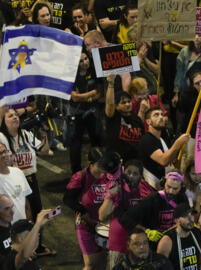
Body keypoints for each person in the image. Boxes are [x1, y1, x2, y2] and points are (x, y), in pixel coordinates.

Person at [0, 109, 54, 256]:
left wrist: (44, 135)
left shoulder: (26, 134)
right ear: (3, 121)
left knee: (36, 213)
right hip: (12, 181)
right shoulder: (2, 138)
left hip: (30, 179)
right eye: (10, 116)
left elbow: (44, 151)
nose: (15, 117)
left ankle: (37, 246)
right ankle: (15, 248)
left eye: (16, 115)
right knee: (14, 214)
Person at [63, 148, 119, 270]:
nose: (103, 168)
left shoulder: (109, 176)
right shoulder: (80, 177)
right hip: (86, 225)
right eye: (100, 164)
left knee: (102, 263)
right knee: (90, 264)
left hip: (104, 225)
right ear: (91, 163)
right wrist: (83, 211)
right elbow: (67, 199)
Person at [98, 159, 153, 269]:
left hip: (139, 241)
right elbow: (102, 216)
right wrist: (110, 196)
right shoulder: (118, 188)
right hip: (120, 240)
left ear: (141, 176)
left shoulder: (145, 189)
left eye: (135, 173)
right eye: (128, 172)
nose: (131, 176)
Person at [119, 170, 189, 241]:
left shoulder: (182, 198)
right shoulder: (153, 199)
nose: (171, 191)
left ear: (182, 188)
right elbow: (125, 218)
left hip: (175, 241)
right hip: (156, 243)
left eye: (175, 189)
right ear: (163, 183)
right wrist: (146, 231)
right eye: (168, 186)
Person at [67, 52, 103, 174]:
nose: (85, 62)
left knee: (96, 139)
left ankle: (98, 166)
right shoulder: (72, 75)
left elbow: (99, 94)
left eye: (86, 59)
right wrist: (91, 93)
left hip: (92, 111)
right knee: (76, 142)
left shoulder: (94, 71)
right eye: (81, 61)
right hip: (76, 112)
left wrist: (84, 96)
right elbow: (74, 98)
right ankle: (75, 172)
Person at [138, 106, 190, 188]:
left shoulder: (161, 140)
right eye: (156, 115)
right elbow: (163, 161)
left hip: (163, 185)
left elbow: (169, 162)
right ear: (148, 121)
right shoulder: (146, 139)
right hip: (150, 187)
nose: (161, 117)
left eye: (162, 114)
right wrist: (178, 143)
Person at [157, 203, 201, 270]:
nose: (191, 219)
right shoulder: (167, 241)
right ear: (177, 220)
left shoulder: (198, 233)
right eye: (185, 216)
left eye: (191, 215)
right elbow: (160, 267)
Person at [105, 74, 145, 161]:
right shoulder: (114, 117)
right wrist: (111, 84)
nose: (127, 104)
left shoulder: (137, 119)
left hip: (134, 161)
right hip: (116, 161)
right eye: (123, 103)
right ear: (116, 106)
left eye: (129, 101)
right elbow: (109, 103)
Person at [172, 33, 201, 105]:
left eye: (199, 36)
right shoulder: (184, 51)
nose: (196, 37)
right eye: (194, 35)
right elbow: (179, 73)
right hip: (187, 85)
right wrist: (176, 93)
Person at [0, 142, 32, 225]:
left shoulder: (18, 172)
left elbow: (25, 200)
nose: (4, 155)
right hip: (7, 231)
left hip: (23, 225)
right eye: (0, 153)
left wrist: (28, 221)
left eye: (4, 151)